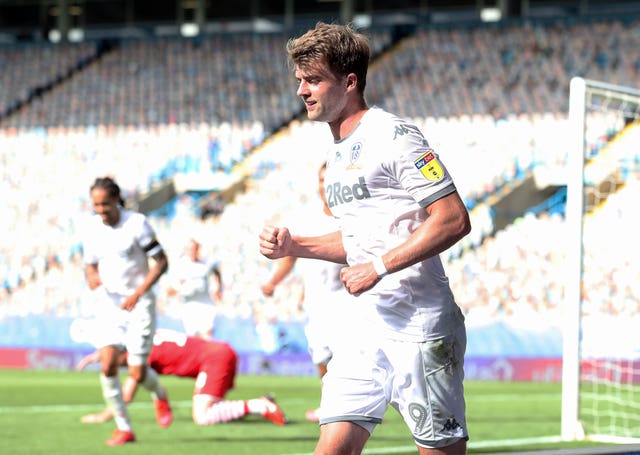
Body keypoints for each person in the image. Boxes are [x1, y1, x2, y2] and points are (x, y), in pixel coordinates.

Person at [258, 22, 472, 455]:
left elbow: (452, 218)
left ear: (350, 82)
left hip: (419, 324)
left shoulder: (394, 136)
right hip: (364, 324)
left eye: (313, 79)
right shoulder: (336, 151)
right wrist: (295, 246)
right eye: (299, 79)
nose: (301, 90)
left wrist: (378, 268)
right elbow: (361, 240)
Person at [81, 176, 172, 446]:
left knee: (137, 372)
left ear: (116, 200)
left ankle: (160, 393)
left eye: (105, 205)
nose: (100, 211)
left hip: (139, 303)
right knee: (108, 364)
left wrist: (138, 292)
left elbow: (161, 261)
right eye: (96, 205)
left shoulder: (136, 224)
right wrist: (92, 277)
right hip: (109, 304)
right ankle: (124, 427)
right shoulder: (92, 229)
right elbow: (90, 265)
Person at [261, 162, 352, 422]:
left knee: (345, 356)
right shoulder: (307, 218)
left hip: (347, 299)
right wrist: (273, 281)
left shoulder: (350, 217)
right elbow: (292, 255)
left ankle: (345, 407)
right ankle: (331, 405)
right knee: (321, 356)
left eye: (330, 180)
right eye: (322, 180)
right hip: (316, 302)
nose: (326, 186)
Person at [76, 328, 288, 427]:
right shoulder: (145, 337)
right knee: (214, 407)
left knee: (202, 417)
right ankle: (260, 404)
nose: (111, 363)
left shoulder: (139, 354)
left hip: (213, 360)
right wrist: (99, 355)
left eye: (110, 358)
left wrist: (103, 416)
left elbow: (127, 394)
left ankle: (260, 406)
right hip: (220, 351)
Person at [166, 237, 222, 339]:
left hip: (206, 305)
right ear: (185, 250)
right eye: (189, 249)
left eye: (194, 248)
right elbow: (169, 291)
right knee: (193, 339)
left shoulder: (206, 264)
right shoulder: (179, 266)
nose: (192, 251)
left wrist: (218, 288)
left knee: (207, 338)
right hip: (189, 307)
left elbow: (216, 272)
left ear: (198, 249)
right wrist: (179, 286)